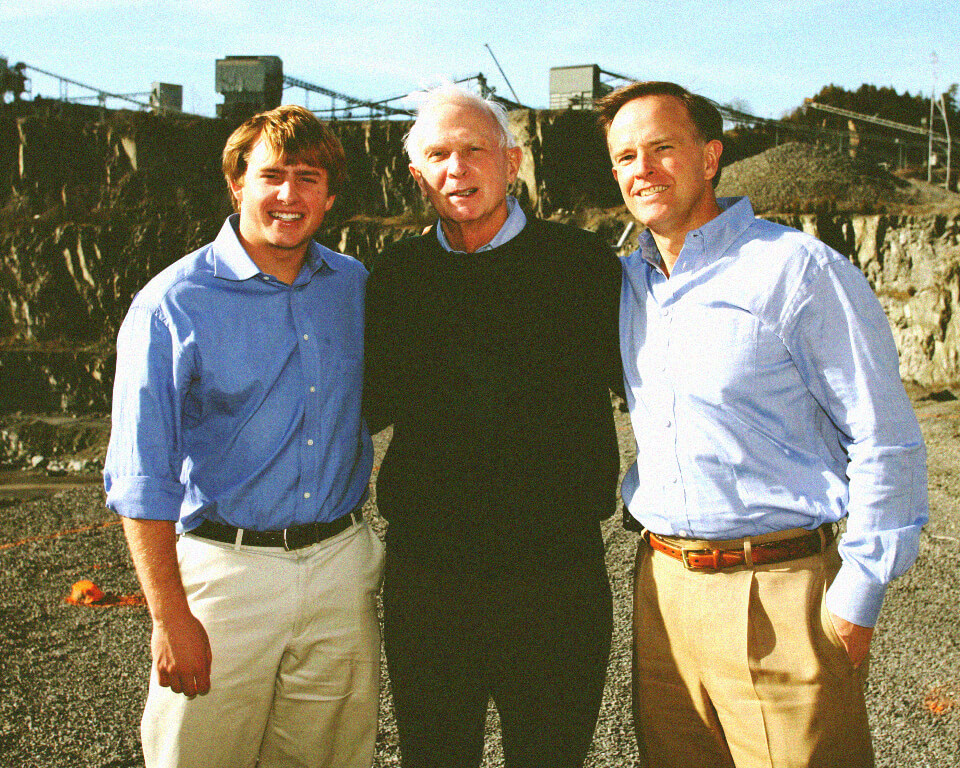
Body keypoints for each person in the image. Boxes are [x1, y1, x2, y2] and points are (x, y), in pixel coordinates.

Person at [595, 80, 928, 768]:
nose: (643, 169)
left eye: (662, 147)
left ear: (710, 156)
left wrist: (856, 601)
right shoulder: (627, 286)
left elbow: (884, 437)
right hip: (663, 594)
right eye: (626, 157)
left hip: (780, 595)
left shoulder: (796, 270)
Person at [104, 104, 383, 768]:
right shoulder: (173, 303)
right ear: (238, 183)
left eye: (308, 178)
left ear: (331, 195)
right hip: (227, 574)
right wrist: (170, 619)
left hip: (341, 567)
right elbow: (143, 475)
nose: (289, 195)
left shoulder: (355, 287)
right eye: (272, 175)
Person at [364, 84, 622, 768]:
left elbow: (660, 392)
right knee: (435, 755)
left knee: (551, 755)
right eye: (439, 154)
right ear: (417, 174)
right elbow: (359, 405)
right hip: (430, 579)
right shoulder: (393, 279)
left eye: (475, 150)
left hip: (555, 576)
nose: (458, 168)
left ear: (511, 163)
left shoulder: (584, 267)